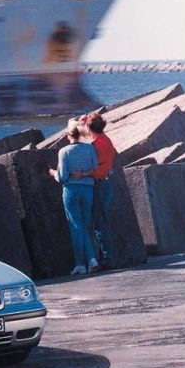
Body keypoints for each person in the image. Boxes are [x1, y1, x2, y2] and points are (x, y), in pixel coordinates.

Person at [49, 123, 99, 275]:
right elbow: (95, 167)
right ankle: (92, 259)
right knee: (85, 225)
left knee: (76, 227)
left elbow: (63, 177)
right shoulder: (90, 148)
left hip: (71, 190)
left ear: (67, 136)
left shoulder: (64, 151)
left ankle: (80, 264)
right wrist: (84, 174)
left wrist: (53, 173)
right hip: (88, 189)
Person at [76, 113, 116, 269]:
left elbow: (96, 170)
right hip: (102, 185)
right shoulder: (104, 140)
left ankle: (106, 259)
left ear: (88, 127)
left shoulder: (96, 145)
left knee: (100, 224)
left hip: (99, 185)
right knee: (101, 223)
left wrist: (83, 174)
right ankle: (104, 257)